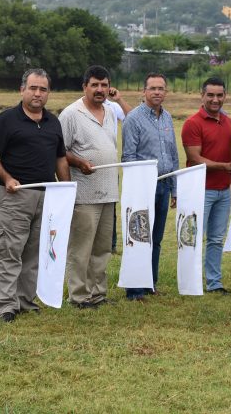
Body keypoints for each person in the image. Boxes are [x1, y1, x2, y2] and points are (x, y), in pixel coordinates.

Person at [0, 69, 71, 322]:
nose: (37, 93)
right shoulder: (6, 120)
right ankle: (6, 305)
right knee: (9, 251)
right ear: (22, 90)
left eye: (43, 89)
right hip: (14, 195)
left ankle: (24, 300)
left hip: (46, 197)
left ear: (48, 93)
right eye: (33, 88)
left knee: (34, 252)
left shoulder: (53, 122)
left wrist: (66, 189)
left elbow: (60, 158)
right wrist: (8, 177)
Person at [60, 66, 119, 309]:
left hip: (109, 190)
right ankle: (79, 296)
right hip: (84, 192)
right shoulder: (71, 114)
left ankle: (98, 293)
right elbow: (59, 152)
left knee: (103, 247)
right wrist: (79, 161)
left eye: (104, 85)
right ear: (84, 86)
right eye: (94, 85)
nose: (100, 89)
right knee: (81, 247)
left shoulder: (111, 112)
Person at [121, 72, 179, 301]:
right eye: (152, 88)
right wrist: (138, 188)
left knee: (156, 238)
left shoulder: (167, 118)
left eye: (161, 88)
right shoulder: (133, 119)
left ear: (166, 92)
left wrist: (174, 189)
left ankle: (149, 284)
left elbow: (173, 155)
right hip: (143, 187)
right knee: (139, 236)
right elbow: (128, 157)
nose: (157, 92)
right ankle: (134, 290)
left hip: (164, 185)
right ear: (143, 91)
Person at [181, 77, 231, 293]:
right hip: (200, 190)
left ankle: (214, 283)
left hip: (223, 191)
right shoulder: (192, 123)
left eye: (220, 95)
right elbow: (195, 158)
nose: (215, 99)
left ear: (225, 96)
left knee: (215, 239)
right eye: (211, 95)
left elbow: (229, 156)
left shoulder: (228, 121)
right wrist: (224, 167)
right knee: (193, 239)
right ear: (202, 95)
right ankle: (190, 281)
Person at [104, 87, 132, 254]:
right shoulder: (80, 107)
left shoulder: (112, 107)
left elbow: (133, 118)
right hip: (88, 165)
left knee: (111, 206)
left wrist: (119, 100)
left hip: (111, 165)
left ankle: (111, 245)